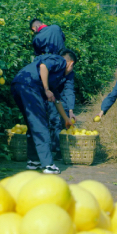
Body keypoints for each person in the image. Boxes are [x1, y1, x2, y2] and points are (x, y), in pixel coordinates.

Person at [11, 49, 78, 174]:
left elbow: (57, 100)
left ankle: (33, 160)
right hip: (29, 85)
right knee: (41, 124)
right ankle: (48, 165)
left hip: (18, 84)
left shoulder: (53, 77)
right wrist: (46, 89)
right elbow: (44, 66)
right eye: (72, 68)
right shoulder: (61, 61)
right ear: (71, 63)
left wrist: (67, 119)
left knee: (33, 124)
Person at [29, 18, 75, 158]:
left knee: (54, 115)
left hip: (47, 77)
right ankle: (58, 147)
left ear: (35, 28)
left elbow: (39, 58)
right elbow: (63, 41)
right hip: (52, 82)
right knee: (57, 113)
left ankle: (55, 147)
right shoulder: (56, 27)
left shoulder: (37, 38)